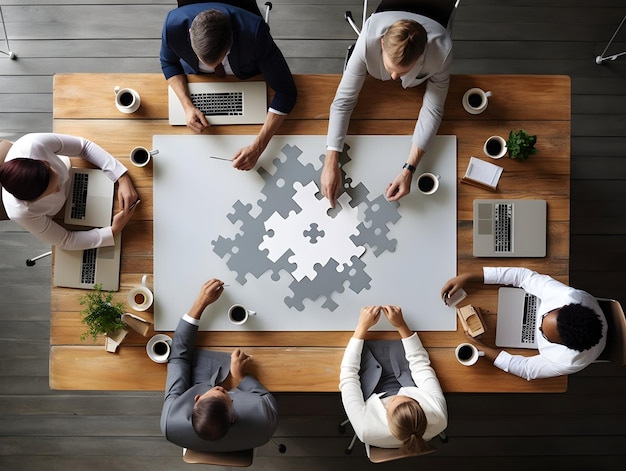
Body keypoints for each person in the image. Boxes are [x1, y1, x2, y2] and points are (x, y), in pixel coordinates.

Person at [322, 11, 453, 208]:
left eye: (402, 72)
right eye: (390, 67)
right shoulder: (368, 39)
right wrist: (331, 160)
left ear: (419, 58)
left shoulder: (441, 53)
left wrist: (409, 168)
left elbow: (433, 109)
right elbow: (343, 102)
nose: (393, 77)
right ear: (382, 43)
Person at [160, 2, 297, 171]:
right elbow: (168, 63)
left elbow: (286, 92)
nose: (211, 68)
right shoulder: (172, 26)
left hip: (247, 79)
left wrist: (257, 147)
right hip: (196, 81)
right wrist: (187, 106)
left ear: (232, 38)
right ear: (190, 33)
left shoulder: (255, 32)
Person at [160, 278, 278, 452]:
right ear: (232, 418)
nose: (222, 389)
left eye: (217, 391)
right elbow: (265, 397)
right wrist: (240, 377)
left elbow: (179, 357)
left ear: (197, 399)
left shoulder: (171, 420)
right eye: (227, 395)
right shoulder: (265, 421)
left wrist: (200, 302)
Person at [441, 267, 607, 380]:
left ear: (562, 346)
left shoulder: (569, 361)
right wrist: (469, 276)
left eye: (544, 334)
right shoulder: (568, 296)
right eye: (545, 317)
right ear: (564, 306)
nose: (538, 325)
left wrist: (484, 348)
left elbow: (526, 369)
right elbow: (523, 277)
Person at [0, 133, 139, 250]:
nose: (59, 187)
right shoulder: (21, 213)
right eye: (52, 191)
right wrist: (113, 230)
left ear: (44, 162)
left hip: (75, 169)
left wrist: (121, 177)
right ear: (31, 201)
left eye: (56, 177)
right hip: (61, 214)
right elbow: (66, 240)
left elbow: (83, 146)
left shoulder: (32, 144)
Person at [339, 305, 447, 455]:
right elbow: (421, 366)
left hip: (371, 392)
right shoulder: (438, 416)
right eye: (410, 399)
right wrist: (401, 325)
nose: (398, 395)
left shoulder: (364, 427)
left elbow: (348, 375)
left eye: (393, 401)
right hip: (408, 380)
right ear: (420, 405)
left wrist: (362, 326)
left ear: (385, 414)